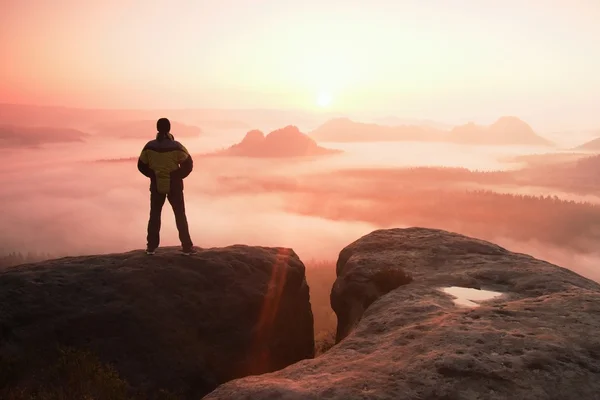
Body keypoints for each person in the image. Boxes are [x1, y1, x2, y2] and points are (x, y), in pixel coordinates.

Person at [137, 118, 195, 255]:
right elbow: (188, 163)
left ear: (157, 128)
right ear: (169, 129)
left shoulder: (149, 147)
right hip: (174, 186)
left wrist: (152, 174)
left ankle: (151, 247)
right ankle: (187, 247)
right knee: (180, 215)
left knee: (155, 215)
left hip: (157, 185)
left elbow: (141, 165)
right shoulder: (176, 146)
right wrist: (177, 176)